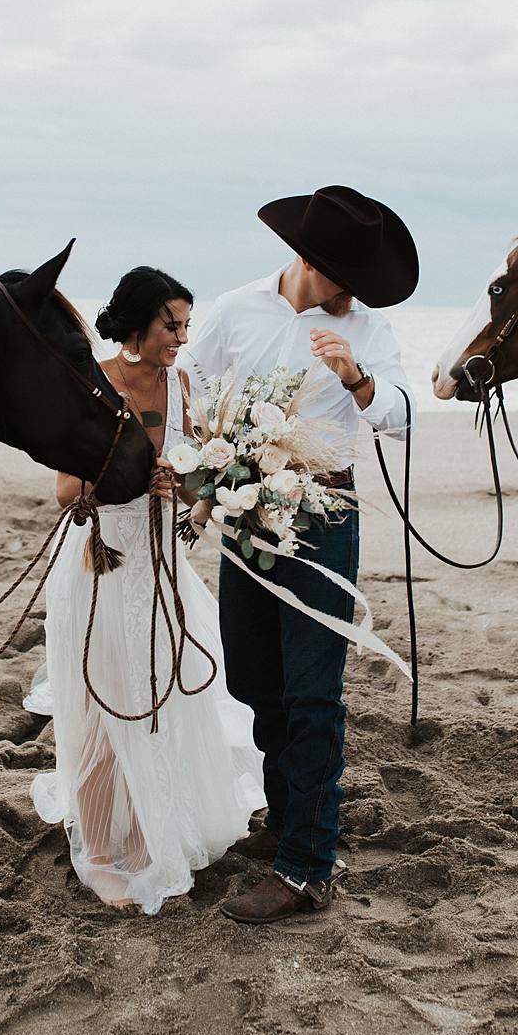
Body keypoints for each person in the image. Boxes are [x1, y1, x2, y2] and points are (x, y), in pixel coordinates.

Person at [181, 185, 418, 925]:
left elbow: (404, 417)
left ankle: (307, 867)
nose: (358, 290)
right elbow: (183, 384)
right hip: (244, 507)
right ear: (313, 258)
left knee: (314, 690)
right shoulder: (233, 308)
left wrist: (357, 377)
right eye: (350, 273)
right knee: (256, 679)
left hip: (325, 514)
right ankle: (285, 821)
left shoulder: (366, 331)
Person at [23, 266, 264, 914]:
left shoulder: (186, 387)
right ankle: (100, 853)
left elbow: (195, 487)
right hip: (101, 568)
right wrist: (132, 479)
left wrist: (187, 491)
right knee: (104, 714)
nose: (181, 338)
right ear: (135, 324)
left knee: (166, 703)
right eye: (170, 325)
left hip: (163, 569)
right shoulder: (89, 383)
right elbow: (67, 492)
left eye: (186, 324)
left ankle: (150, 833)